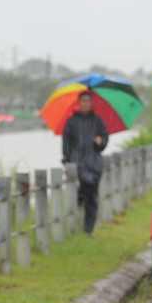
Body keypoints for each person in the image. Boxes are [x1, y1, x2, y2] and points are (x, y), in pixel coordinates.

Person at [62, 91, 109, 234]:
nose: (86, 103)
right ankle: (75, 224)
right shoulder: (71, 122)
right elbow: (66, 144)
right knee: (81, 192)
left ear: (91, 103)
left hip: (94, 163)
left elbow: (104, 139)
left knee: (92, 197)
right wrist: (67, 160)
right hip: (77, 163)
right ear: (79, 103)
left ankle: (88, 230)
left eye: (88, 101)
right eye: (83, 101)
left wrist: (101, 142)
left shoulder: (97, 121)